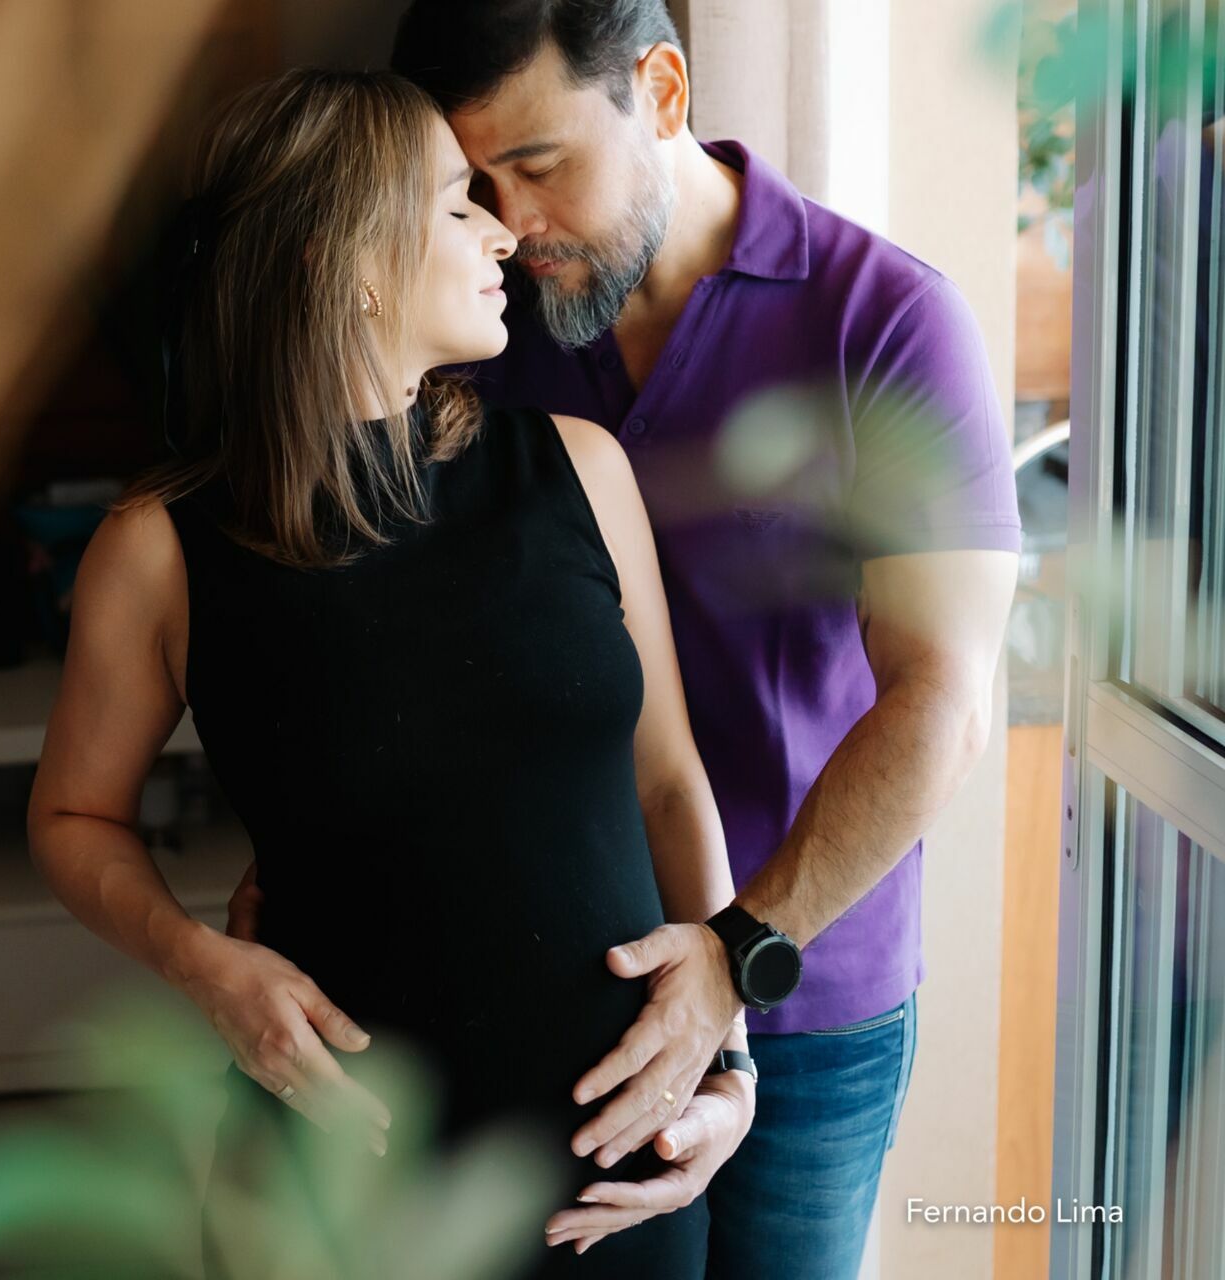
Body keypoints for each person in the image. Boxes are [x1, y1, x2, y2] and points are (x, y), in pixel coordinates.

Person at [222, 4, 1023, 1277]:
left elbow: (945, 702)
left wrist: (737, 952)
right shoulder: (485, 326)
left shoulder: (886, 322)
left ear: (660, 88)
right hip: (531, 1003)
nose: (511, 219)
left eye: (539, 165)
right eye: (475, 184)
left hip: (801, 994)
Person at [27, 67, 750, 1277]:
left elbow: (670, 785)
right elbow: (71, 814)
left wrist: (731, 1059)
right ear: (337, 261)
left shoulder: (578, 467)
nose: (501, 230)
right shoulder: (160, 549)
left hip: (619, 1194)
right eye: (453, 202)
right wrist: (202, 965)